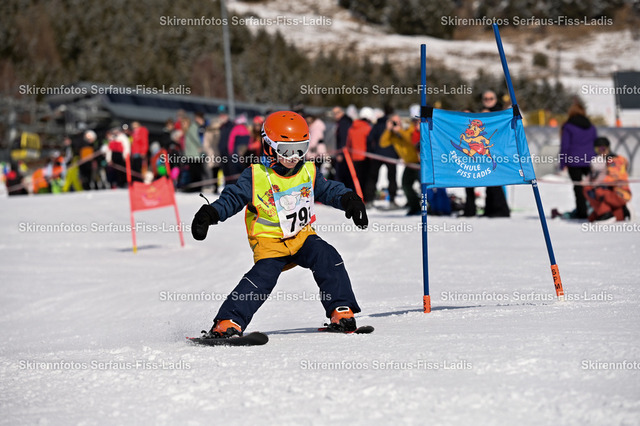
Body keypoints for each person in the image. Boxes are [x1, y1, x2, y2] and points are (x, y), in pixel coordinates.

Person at [191, 111, 368, 338]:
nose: (294, 157)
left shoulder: (308, 170)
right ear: (269, 147)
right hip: (270, 243)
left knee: (328, 257)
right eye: (287, 150)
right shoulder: (256, 176)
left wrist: (349, 200)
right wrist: (211, 213)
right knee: (261, 279)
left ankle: (340, 310)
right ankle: (228, 322)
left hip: (302, 237)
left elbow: (329, 190)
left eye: (301, 149)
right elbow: (232, 199)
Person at [559, 101, 597, 219]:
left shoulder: (568, 126)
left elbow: (565, 146)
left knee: (578, 187)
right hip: (590, 160)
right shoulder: (591, 126)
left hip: (574, 161)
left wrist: (562, 163)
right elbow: (595, 143)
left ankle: (582, 212)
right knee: (592, 186)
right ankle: (596, 209)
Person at [380, 114, 421, 215]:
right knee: (406, 185)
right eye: (393, 122)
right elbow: (383, 143)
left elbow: (411, 141)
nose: (395, 124)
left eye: (397, 121)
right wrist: (388, 130)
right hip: (409, 164)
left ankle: (432, 206)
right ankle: (415, 206)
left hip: (419, 163)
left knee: (425, 186)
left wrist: (400, 130)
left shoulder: (409, 128)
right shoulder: (393, 135)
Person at [583, 137, 631, 222]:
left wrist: (597, 183)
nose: (600, 152)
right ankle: (621, 211)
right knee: (593, 218)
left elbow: (614, 177)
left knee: (589, 189)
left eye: (602, 148)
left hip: (620, 193)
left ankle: (606, 214)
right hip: (612, 193)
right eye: (597, 149)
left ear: (608, 148)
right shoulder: (603, 160)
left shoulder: (615, 160)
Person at [365, 105, 398, 207]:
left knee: (373, 178)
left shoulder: (378, 124)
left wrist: (371, 151)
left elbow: (370, 138)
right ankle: (392, 200)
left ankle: (369, 200)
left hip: (377, 154)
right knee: (392, 178)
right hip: (391, 155)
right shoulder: (394, 124)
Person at [346, 107, 374, 195]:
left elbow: (348, 144)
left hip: (354, 158)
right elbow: (371, 143)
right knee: (366, 179)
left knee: (356, 179)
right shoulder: (368, 128)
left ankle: (356, 195)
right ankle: (365, 196)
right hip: (365, 158)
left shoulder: (351, 128)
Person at [332, 106, 354, 189]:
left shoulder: (344, 122)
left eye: (336, 113)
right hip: (345, 152)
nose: (335, 116)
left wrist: (341, 153)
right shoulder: (344, 121)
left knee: (341, 175)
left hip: (344, 153)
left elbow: (344, 138)